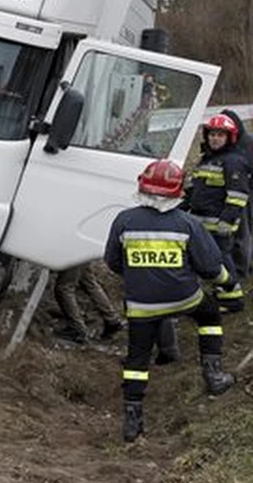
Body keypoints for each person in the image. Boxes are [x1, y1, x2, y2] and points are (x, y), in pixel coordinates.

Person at [105, 159, 235, 443]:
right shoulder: (187, 223)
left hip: (140, 306)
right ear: (178, 191)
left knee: (137, 358)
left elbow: (112, 261)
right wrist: (228, 283)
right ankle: (214, 375)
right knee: (210, 314)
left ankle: (132, 421)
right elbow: (210, 267)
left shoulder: (124, 220)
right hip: (183, 298)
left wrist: (139, 275)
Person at [184, 114, 249, 313]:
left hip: (219, 224)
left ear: (229, 137)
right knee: (211, 261)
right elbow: (195, 191)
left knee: (221, 260)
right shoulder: (207, 160)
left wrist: (227, 222)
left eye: (220, 135)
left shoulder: (233, 161)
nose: (215, 138)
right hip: (202, 222)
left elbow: (238, 195)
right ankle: (222, 292)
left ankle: (232, 299)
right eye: (212, 134)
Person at [53, 262, 125, 345]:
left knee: (64, 288)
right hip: (83, 254)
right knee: (88, 282)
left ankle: (77, 329)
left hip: (72, 255)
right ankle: (111, 319)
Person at [220, 108, 253, 279]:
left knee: (242, 232)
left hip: (244, 192)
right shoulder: (232, 144)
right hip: (233, 190)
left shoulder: (247, 145)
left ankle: (241, 269)